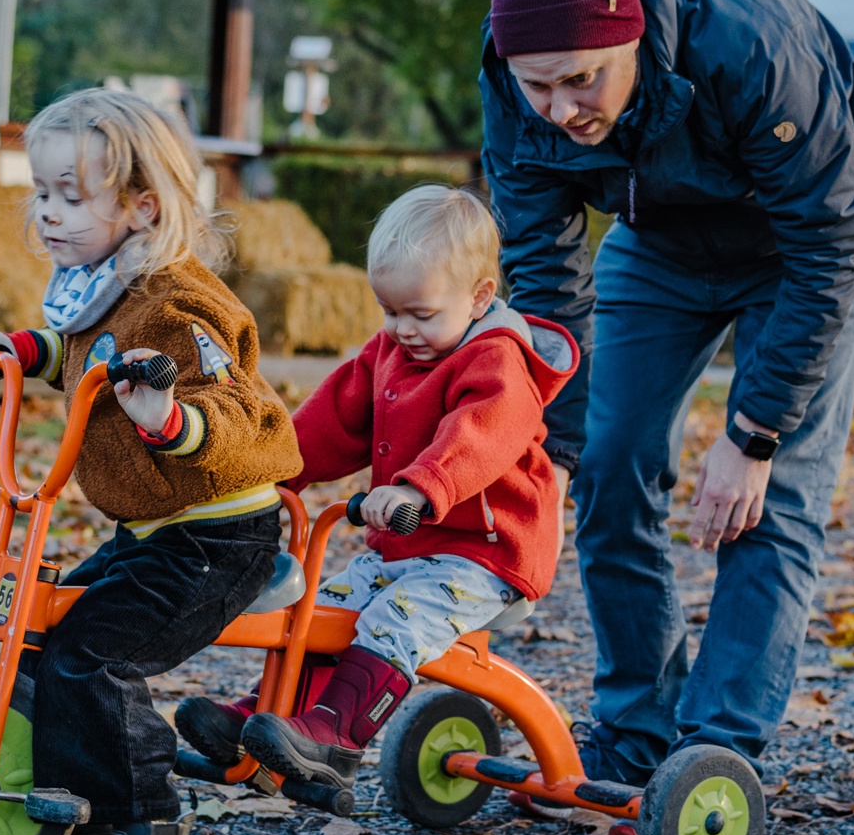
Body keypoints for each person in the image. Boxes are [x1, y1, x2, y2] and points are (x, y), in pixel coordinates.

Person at [479, 0, 854, 806]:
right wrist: (557, 431)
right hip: (659, 239)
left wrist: (754, 431)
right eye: (537, 88)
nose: (558, 110)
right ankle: (635, 729)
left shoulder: (747, 40)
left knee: (770, 498)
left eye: (581, 80)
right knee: (611, 465)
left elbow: (831, 238)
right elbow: (545, 267)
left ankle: (715, 753)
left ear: (629, 35)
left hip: (803, 247)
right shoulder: (512, 79)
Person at [0, 88, 302, 835]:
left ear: (142, 205)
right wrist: (25, 350)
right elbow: (84, 356)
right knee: (46, 630)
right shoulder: (99, 285)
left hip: (218, 535)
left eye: (69, 196)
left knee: (95, 656)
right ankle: (76, 807)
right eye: (41, 192)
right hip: (155, 528)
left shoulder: (183, 306)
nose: (46, 213)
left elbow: (241, 410)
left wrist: (174, 420)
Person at [174, 185, 578, 791]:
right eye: (389, 311)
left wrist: (421, 488)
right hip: (407, 547)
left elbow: (481, 436)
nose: (401, 329)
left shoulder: (498, 362)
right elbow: (331, 420)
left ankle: (337, 738)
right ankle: (267, 715)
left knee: (396, 619)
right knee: (325, 605)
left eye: (420, 314)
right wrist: (268, 470)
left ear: (479, 297)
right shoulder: (389, 351)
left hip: (486, 554)